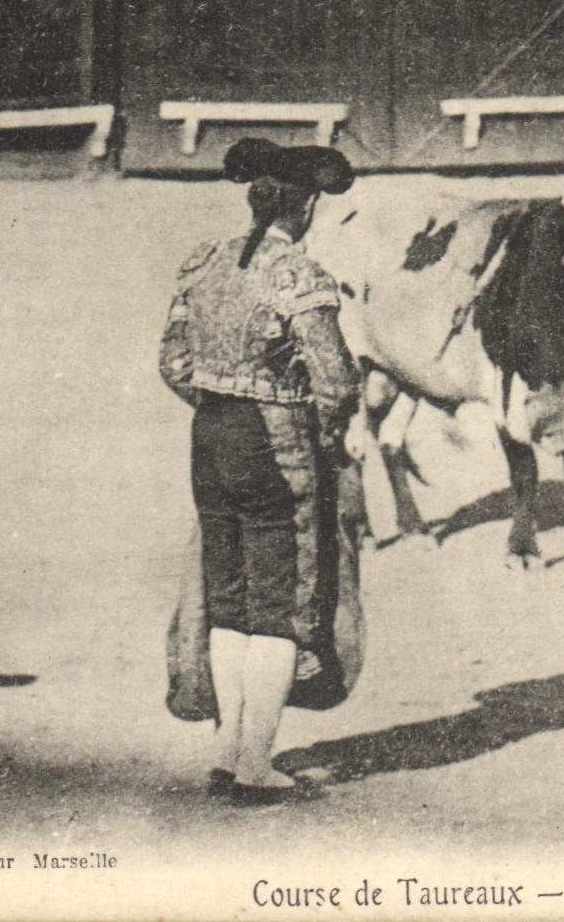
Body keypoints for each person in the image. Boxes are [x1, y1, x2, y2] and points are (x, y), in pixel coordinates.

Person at [160, 139, 363, 804]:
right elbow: (334, 380)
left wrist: (222, 397)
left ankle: (225, 751)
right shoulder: (298, 274)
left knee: (228, 591)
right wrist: (316, 427)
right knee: (280, 597)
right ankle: (255, 762)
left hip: (209, 435)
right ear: (303, 206)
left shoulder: (204, 262)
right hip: (275, 443)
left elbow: (173, 364)